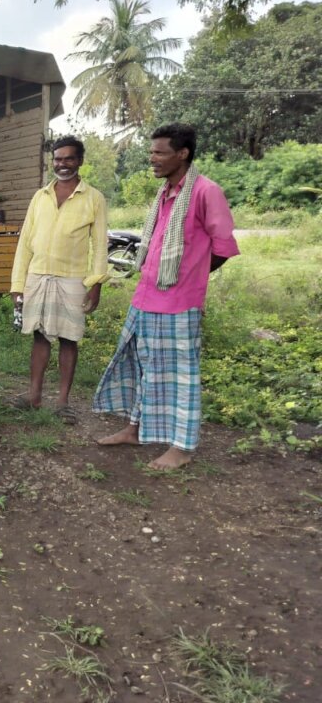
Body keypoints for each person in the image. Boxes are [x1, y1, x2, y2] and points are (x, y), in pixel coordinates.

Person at [94, 123, 239, 470]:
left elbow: (223, 247)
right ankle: (135, 429)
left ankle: (182, 447)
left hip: (179, 303)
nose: (152, 158)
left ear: (182, 154)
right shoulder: (165, 193)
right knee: (143, 366)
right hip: (146, 297)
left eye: (159, 152)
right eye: (151, 152)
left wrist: (191, 277)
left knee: (181, 376)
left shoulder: (205, 192)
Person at [9, 136, 108, 423]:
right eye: (58, 159)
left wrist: (96, 284)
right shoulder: (40, 196)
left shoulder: (94, 198)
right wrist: (17, 284)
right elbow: (25, 242)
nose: (62, 164)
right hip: (38, 275)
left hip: (72, 279)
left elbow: (100, 245)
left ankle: (63, 402)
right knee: (39, 336)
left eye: (69, 158)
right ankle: (34, 395)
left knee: (68, 338)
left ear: (80, 161)